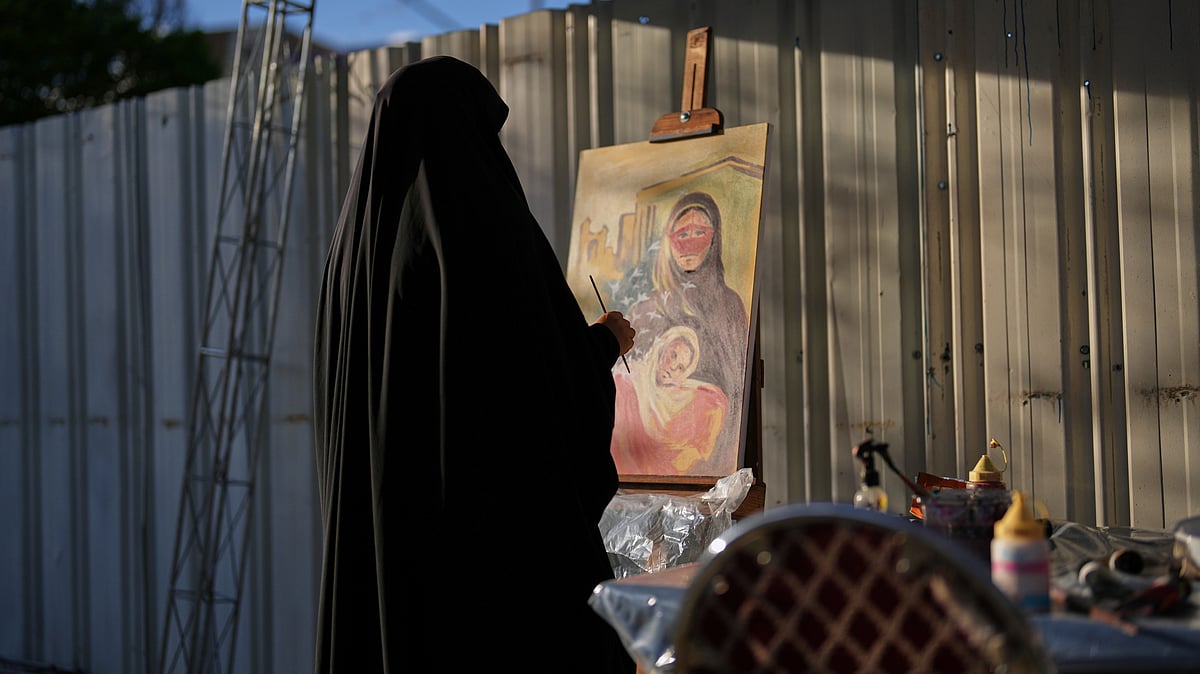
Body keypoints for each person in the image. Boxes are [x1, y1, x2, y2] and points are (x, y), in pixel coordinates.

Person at [311, 55, 636, 673]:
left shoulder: (349, 257)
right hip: (481, 563)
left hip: (387, 553)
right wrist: (604, 345)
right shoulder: (478, 226)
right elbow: (533, 379)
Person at [624, 191, 749, 465]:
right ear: (668, 241)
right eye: (682, 235)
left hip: (707, 458)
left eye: (699, 233)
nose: (690, 245)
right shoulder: (643, 310)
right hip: (639, 459)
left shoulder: (729, 305)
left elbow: (737, 394)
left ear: (715, 237)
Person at [611, 325, 728, 475]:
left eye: (680, 367)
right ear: (662, 348)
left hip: (668, 481)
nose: (672, 367)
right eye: (673, 355)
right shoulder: (630, 380)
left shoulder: (686, 395)